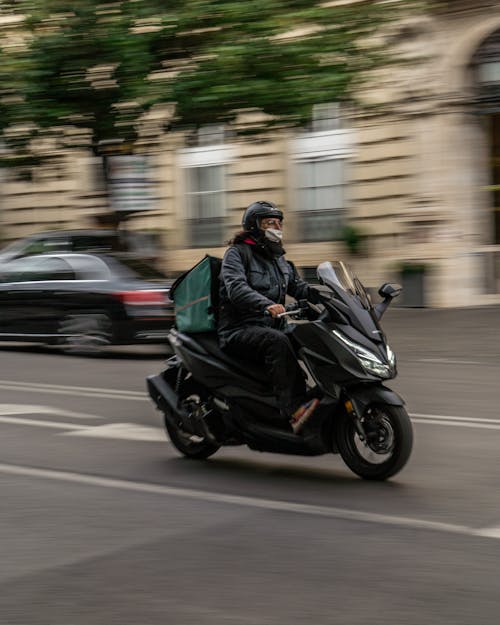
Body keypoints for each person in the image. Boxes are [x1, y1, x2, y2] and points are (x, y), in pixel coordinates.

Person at [217, 200, 322, 433]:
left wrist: (331, 297)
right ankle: (293, 409)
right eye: (269, 223)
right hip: (239, 328)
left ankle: (323, 393)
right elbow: (236, 288)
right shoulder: (237, 254)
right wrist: (266, 305)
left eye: (278, 223)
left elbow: (299, 287)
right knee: (279, 342)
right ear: (254, 226)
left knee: (313, 336)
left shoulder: (280, 259)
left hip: (272, 325)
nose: (276, 227)